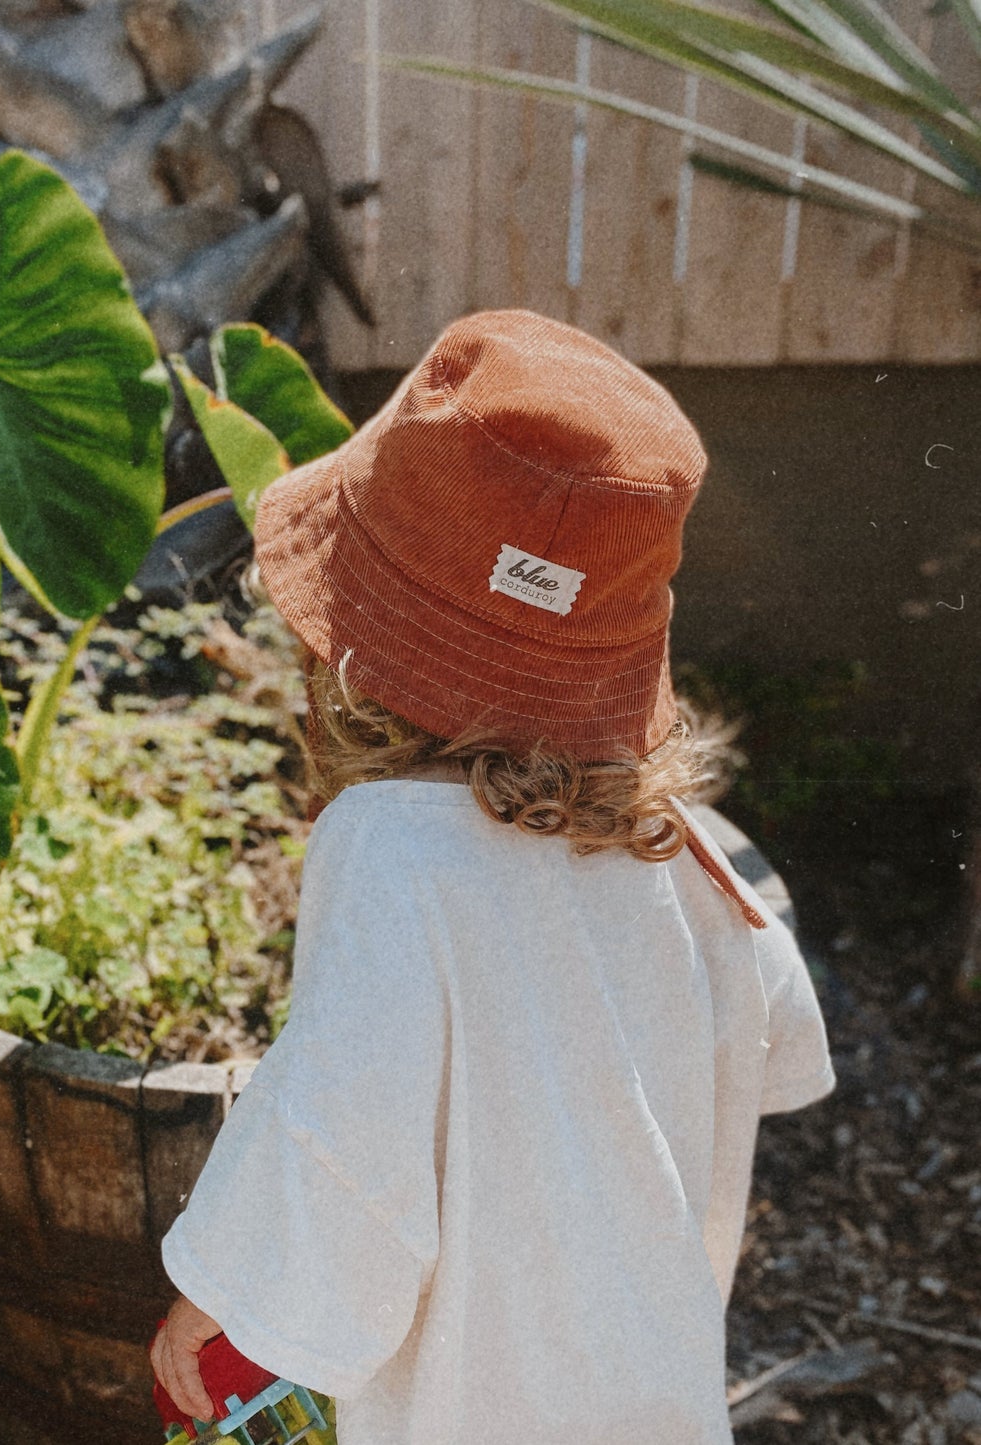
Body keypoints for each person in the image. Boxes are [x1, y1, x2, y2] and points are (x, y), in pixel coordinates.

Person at [149, 310, 835, 1444]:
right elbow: (769, 1030)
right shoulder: (690, 856)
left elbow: (336, 1132)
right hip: (642, 1394)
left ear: (351, 644)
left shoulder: (387, 848)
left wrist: (219, 1297)